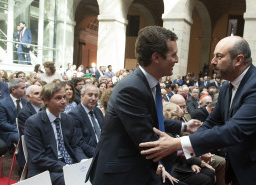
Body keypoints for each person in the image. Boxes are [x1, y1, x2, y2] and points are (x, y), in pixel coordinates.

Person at [140, 36, 256, 185]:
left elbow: (234, 130)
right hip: (243, 167)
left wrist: (177, 143)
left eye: (219, 56)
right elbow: (212, 122)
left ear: (238, 60)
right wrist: (185, 148)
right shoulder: (227, 87)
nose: (213, 61)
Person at [86, 26, 200, 185]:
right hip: (120, 175)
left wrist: (184, 127)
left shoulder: (147, 83)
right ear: (156, 57)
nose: (177, 59)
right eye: (173, 54)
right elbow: (149, 142)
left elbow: (151, 121)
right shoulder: (131, 89)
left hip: (140, 167)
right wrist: (190, 148)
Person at [25, 82, 87, 185]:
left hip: (68, 163)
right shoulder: (33, 122)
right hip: (45, 168)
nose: (64, 101)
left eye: (64, 97)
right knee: (73, 181)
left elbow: (75, 146)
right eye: (58, 98)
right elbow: (38, 157)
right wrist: (64, 167)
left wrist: (83, 160)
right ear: (45, 100)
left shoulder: (68, 119)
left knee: (94, 173)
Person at [68, 84, 104, 158]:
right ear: (82, 95)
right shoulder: (74, 115)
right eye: (90, 95)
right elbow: (80, 143)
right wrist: (99, 154)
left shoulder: (98, 111)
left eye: (96, 96)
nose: (93, 98)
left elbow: (105, 133)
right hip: (91, 156)